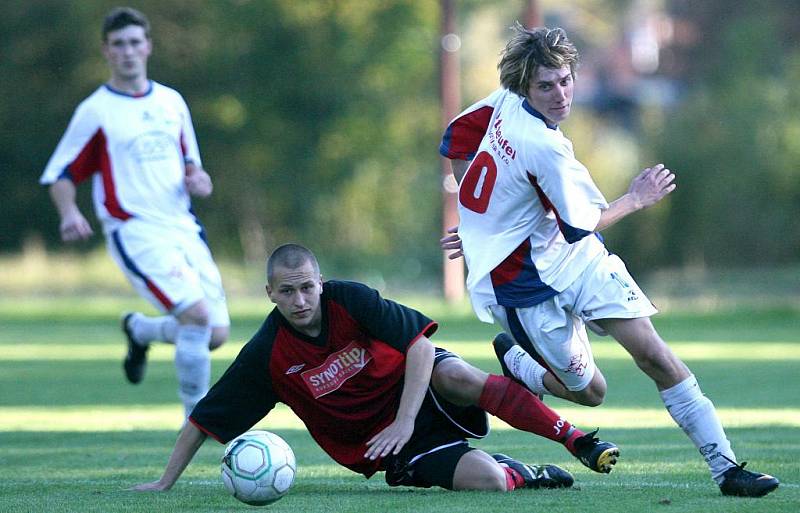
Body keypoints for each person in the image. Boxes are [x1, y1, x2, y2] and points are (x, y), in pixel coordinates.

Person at [438, 23, 779, 497]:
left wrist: (481, 220)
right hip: (527, 285)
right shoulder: (545, 146)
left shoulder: (501, 102)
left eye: (565, 80)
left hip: (580, 261)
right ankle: (521, 364)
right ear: (524, 87)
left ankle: (727, 471)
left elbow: (456, 138)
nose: (560, 94)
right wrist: (637, 198)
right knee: (589, 393)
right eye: (545, 86)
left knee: (655, 356)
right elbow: (585, 222)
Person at [132, 243, 620, 493]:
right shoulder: (268, 354)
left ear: (320, 282)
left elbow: (421, 348)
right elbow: (204, 418)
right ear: (270, 294)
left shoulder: (351, 299)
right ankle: (523, 474)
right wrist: (164, 482)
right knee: (489, 483)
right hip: (391, 450)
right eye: (286, 291)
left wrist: (405, 418)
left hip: (419, 393)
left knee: (454, 372)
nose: (299, 300)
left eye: (306, 287)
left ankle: (577, 439)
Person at [39, 7, 229, 419]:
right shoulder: (96, 110)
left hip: (182, 226)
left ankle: (140, 330)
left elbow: (193, 166)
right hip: (134, 229)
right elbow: (61, 174)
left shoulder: (171, 102)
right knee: (196, 316)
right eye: (118, 44)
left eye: (135, 42)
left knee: (215, 333)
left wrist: (200, 180)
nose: (128, 51)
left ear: (148, 46)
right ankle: (197, 423)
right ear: (106, 51)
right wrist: (69, 211)